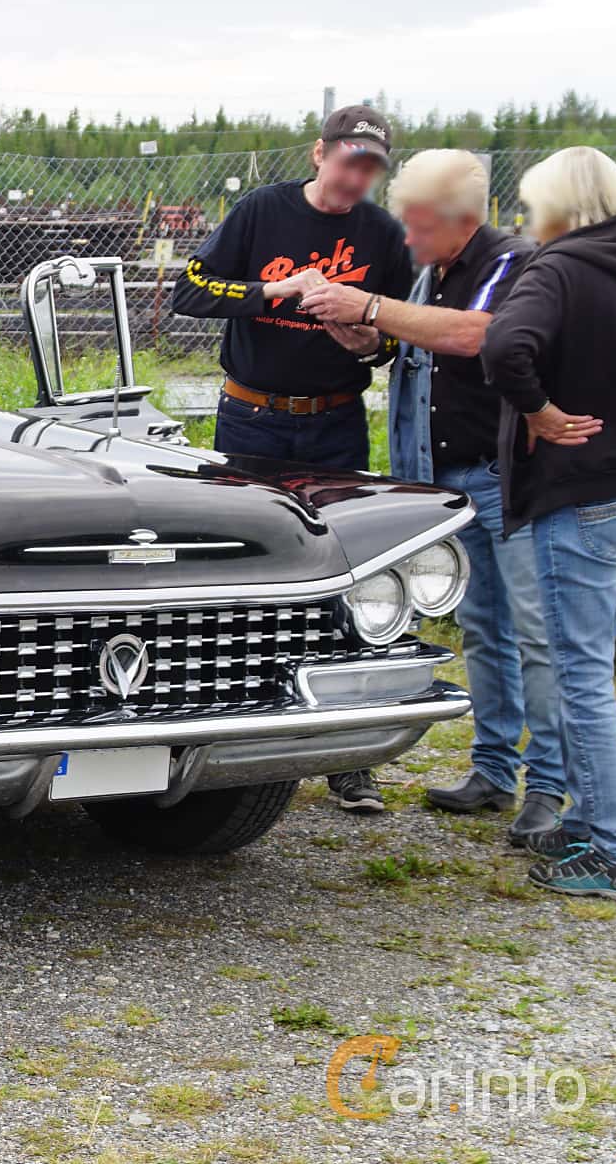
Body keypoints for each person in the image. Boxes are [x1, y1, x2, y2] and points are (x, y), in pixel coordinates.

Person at [300, 150, 565, 847]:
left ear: (458, 219)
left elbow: (478, 337)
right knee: (485, 629)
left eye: (417, 227)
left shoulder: (511, 266)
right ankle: (492, 769)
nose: (406, 241)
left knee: (537, 635)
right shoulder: (432, 272)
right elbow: (406, 342)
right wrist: (363, 336)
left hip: (501, 480)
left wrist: (373, 306)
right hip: (447, 485)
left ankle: (548, 787)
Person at [173, 104, 415, 814]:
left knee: (345, 571)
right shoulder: (261, 211)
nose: (355, 177)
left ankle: (347, 752)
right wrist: (273, 291)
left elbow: (395, 336)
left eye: (370, 168)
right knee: (244, 565)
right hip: (251, 416)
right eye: (347, 161)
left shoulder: (384, 234)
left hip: (334, 421)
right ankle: (227, 728)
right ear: (319, 154)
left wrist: (361, 337)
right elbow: (192, 290)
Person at [480, 146, 616, 902]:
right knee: (595, 666)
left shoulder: (554, 268)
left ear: (554, 204)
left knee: (582, 679)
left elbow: (502, 347)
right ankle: (587, 828)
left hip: (583, 499)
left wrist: (542, 413)